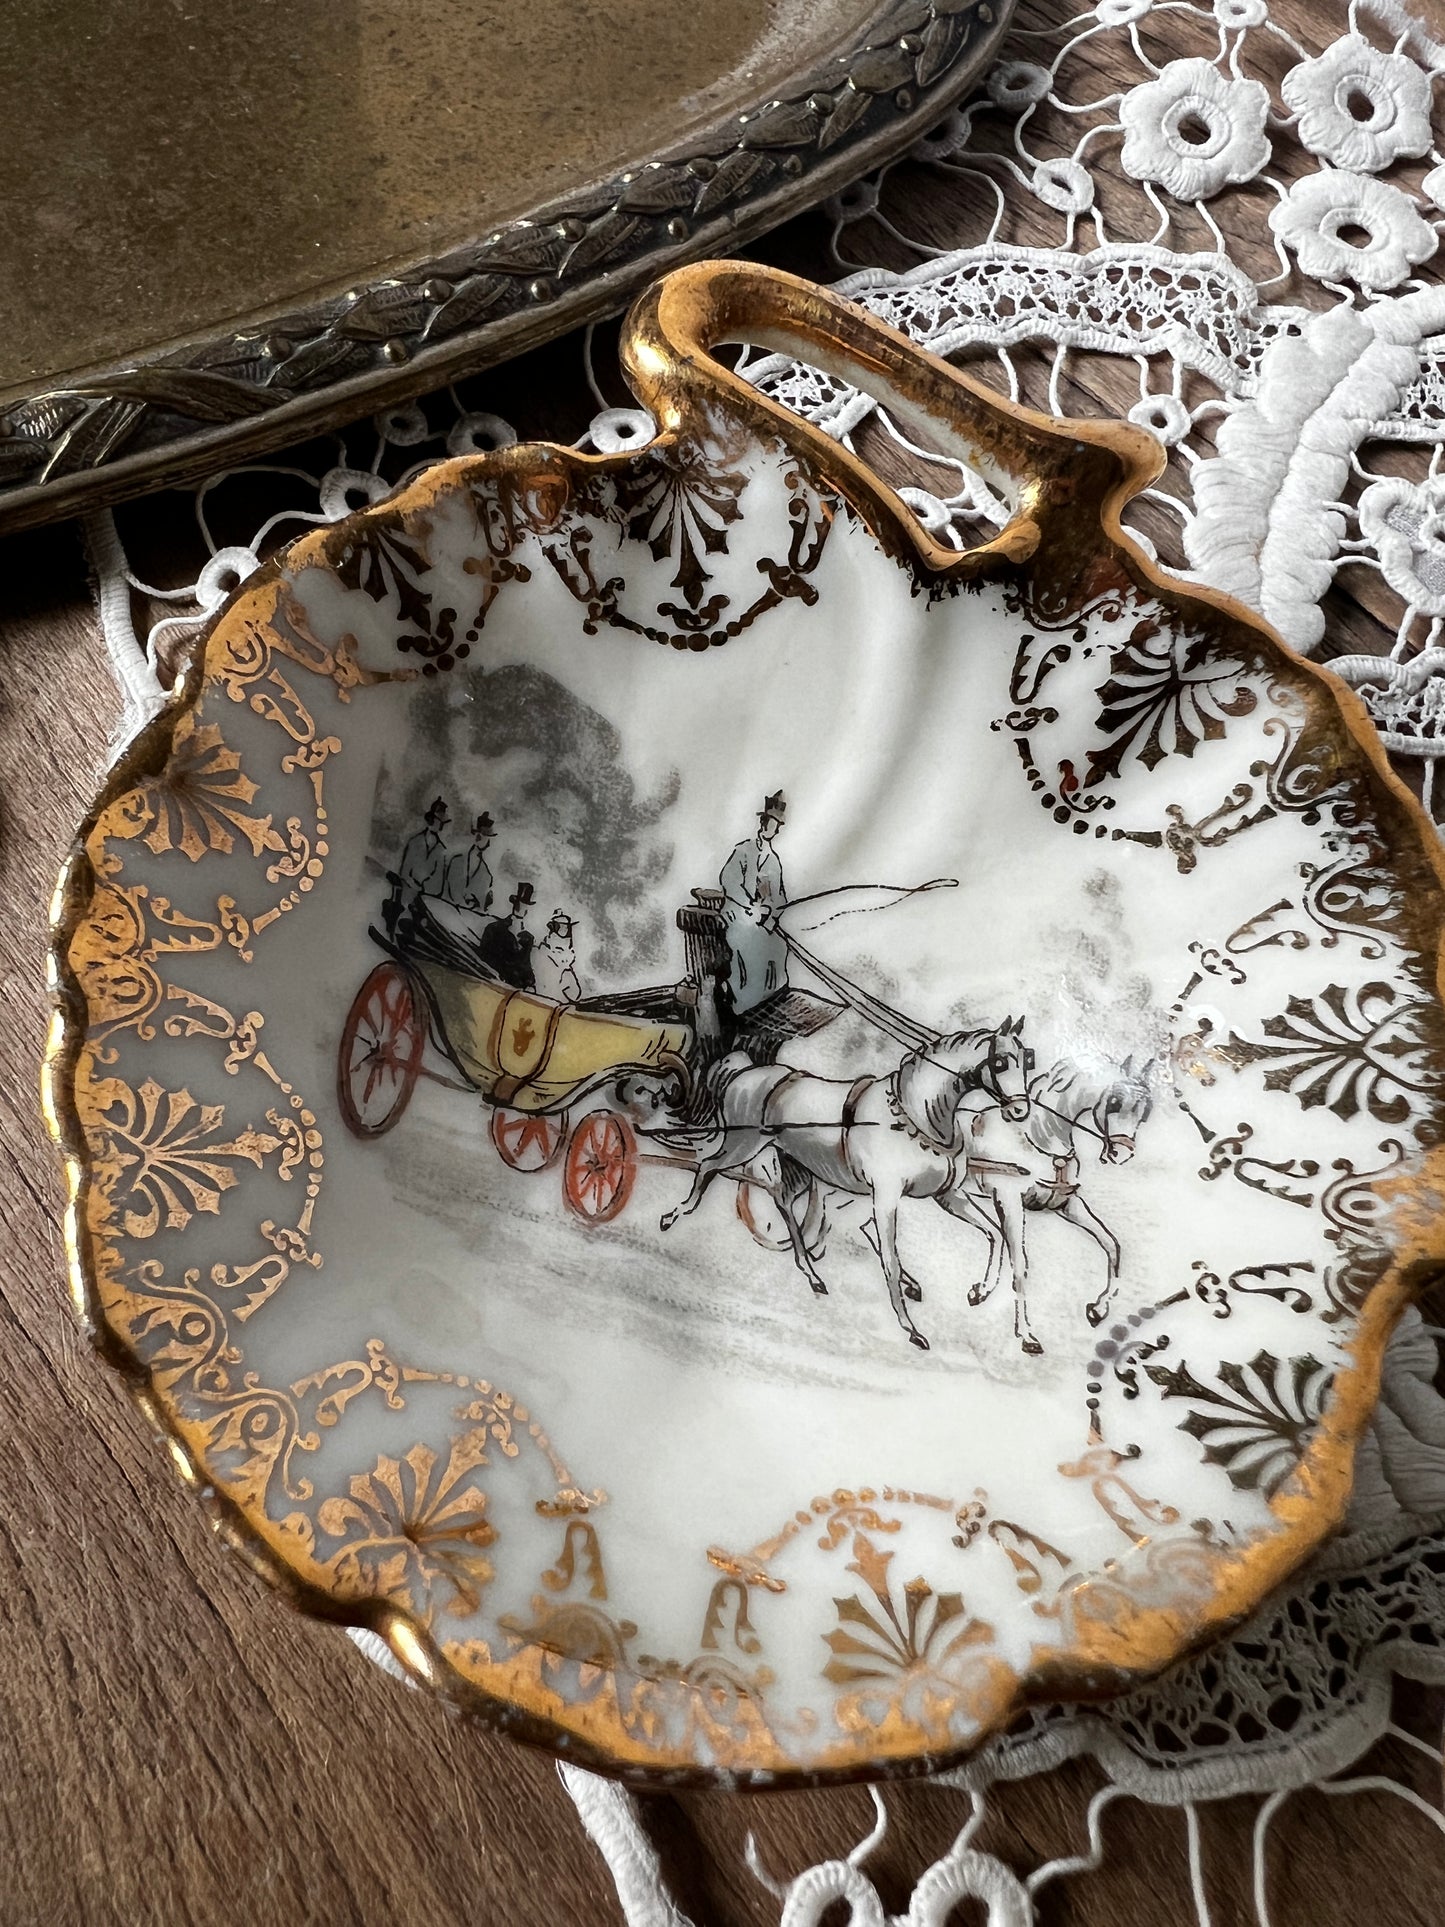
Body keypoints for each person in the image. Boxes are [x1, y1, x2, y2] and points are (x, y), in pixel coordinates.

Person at [719, 790, 789, 1014]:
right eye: (771, 823)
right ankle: (742, 1003)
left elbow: (780, 897)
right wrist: (749, 908)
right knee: (751, 942)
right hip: (738, 915)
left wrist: (771, 915)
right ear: (763, 822)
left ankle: (768, 1000)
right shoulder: (743, 850)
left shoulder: (774, 861)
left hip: (762, 919)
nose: (774, 828)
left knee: (779, 945)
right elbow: (729, 881)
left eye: (777, 825)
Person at [386, 795, 453, 934]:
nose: (440, 824)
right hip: (407, 895)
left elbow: (438, 883)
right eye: (438, 820)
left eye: (442, 822)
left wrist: (423, 889)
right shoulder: (414, 842)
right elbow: (405, 871)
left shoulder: (441, 850)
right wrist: (414, 886)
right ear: (431, 819)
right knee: (400, 922)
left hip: (426, 902)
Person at [477, 882, 537, 991]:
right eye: (519, 904)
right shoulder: (495, 929)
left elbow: (527, 969)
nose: (522, 909)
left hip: (516, 992)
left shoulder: (527, 938)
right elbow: (485, 958)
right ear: (514, 905)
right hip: (493, 986)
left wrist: (530, 980)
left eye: (526, 906)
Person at [447, 811, 495, 915]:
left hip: (471, 915)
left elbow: (484, 906)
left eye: (487, 836)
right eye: (483, 834)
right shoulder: (457, 860)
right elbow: (452, 890)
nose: (486, 840)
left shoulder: (486, 872)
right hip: (452, 910)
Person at [533, 909, 582, 1003]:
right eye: (565, 927)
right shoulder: (545, 953)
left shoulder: (540, 951)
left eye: (567, 927)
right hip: (548, 1004)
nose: (567, 930)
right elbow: (575, 994)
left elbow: (575, 993)